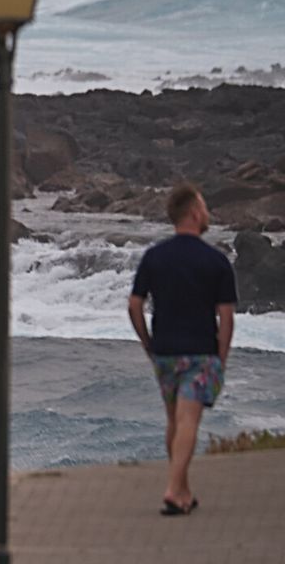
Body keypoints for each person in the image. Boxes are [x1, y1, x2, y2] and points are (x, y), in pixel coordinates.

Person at [127, 183, 237, 516]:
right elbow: (226, 317)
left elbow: (134, 305)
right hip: (200, 353)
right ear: (193, 213)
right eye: (204, 207)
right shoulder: (216, 261)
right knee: (188, 420)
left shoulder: (154, 257)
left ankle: (184, 489)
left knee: (174, 421)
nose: (207, 213)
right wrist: (221, 357)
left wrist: (148, 343)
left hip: (164, 353)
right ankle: (174, 491)